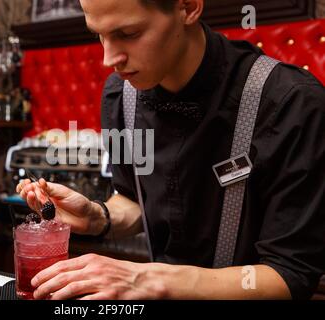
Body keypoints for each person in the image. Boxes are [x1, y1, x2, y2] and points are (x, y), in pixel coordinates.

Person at [17, 0, 325, 300]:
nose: (108, 58)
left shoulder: (291, 102)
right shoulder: (120, 96)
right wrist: (99, 216)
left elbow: (289, 275)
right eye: (99, 34)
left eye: (128, 34)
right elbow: (134, 200)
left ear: (188, 7)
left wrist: (148, 279)